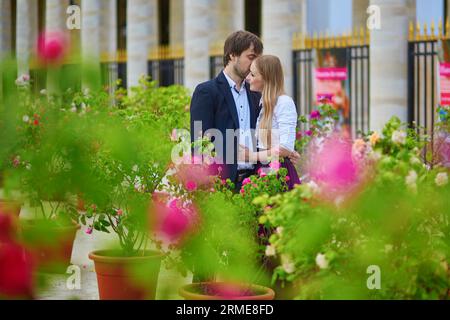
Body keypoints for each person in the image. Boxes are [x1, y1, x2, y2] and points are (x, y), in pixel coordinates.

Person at [241, 55, 301, 189]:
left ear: (265, 77)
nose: (248, 78)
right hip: (264, 169)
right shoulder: (264, 103)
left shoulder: (284, 102)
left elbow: (284, 148)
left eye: (253, 74)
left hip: (279, 173)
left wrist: (251, 155)